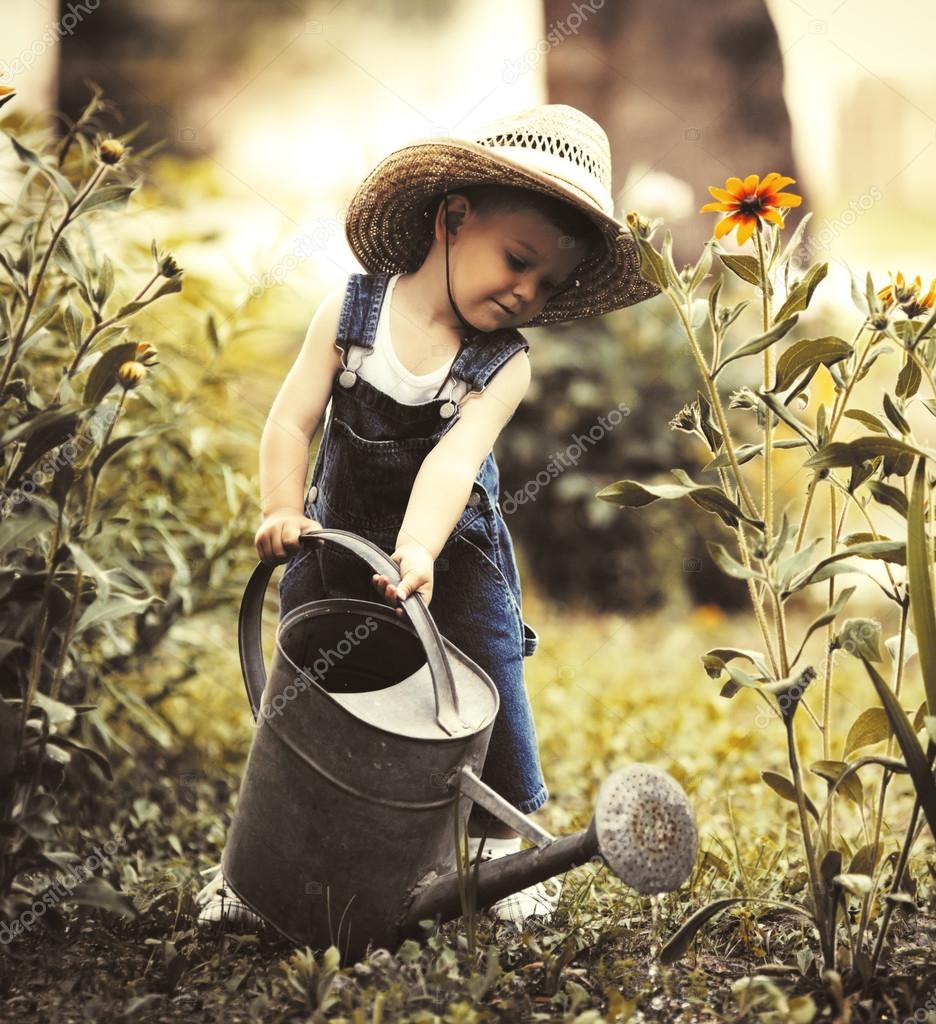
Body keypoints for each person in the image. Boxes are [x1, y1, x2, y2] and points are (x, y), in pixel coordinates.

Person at [195, 103, 659, 932]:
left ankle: (503, 844)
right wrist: (278, 507)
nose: (526, 292)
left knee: (485, 678)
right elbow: (290, 420)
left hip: (455, 547)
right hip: (333, 534)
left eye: (547, 285)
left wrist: (419, 549)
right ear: (453, 219)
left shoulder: (501, 363)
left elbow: (453, 460)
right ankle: (257, 861)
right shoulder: (352, 314)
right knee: (305, 688)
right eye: (517, 262)